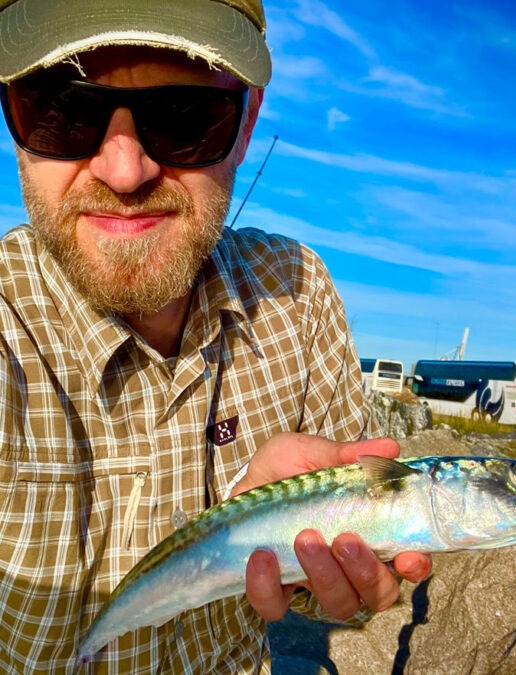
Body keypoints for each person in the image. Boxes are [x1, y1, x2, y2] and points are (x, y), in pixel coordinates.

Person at [0, 0, 431, 671]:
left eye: (185, 119)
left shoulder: (298, 292)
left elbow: (351, 591)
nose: (125, 172)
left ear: (248, 120)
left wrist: (271, 530)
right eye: (63, 110)